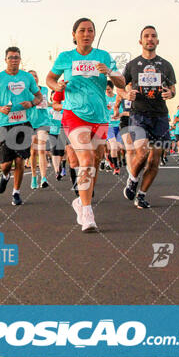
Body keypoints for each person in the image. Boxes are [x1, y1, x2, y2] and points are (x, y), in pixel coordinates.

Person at [47, 17, 125, 232]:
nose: (87, 33)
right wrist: (57, 85)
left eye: (90, 30)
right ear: (74, 35)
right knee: (86, 158)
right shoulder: (65, 57)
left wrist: (109, 72)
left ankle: (81, 201)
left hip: (100, 116)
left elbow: (121, 82)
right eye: (82, 30)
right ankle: (88, 213)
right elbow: (50, 79)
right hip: (74, 114)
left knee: (96, 160)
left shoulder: (104, 56)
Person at [119, 26, 176, 209]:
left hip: (160, 115)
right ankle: (133, 179)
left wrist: (170, 94)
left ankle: (141, 195)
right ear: (140, 41)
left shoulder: (166, 65)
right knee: (142, 152)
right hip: (139, 114)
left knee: (154, 160)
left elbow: (173, 89)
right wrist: (126, 94)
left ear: (157, 41)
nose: (150, 39)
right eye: (146, 36)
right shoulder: (132, 65)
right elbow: (120, 86)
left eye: (153, 36)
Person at [0, 47, 42, 206]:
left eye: (17, 57)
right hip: (5, 123)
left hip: (24, 123)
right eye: (11, 57)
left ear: (20, 59)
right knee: (6, 164)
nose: (14, 60)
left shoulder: (27, 77)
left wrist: (31, 103)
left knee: (20, 160)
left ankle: (16, 192)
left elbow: (39, 96)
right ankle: (4, 176)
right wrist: (0, 108)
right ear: (5, 60)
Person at [28, 70, 51, 189]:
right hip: (30, 123)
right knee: (33, 152)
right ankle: (33, 176)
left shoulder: (45, 90)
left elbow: (48, 103)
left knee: (41, 149)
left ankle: (43, 178)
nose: (34, 78)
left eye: (35, 76)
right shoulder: (26, 91)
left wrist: (56, 106)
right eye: (31, 76)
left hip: (43, 122)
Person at [105, 81, 122, 175]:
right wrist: (105, 108)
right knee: (113, 145)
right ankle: (116, 167)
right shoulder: (103, 98)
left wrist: (118, 114)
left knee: (117, 148)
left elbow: (121, 109)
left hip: (118, 124)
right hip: (108, 125)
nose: (107, 91)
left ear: (112, 88)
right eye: (106, 89)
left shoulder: (117, 98)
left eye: (108, 89)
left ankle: (110, 158)